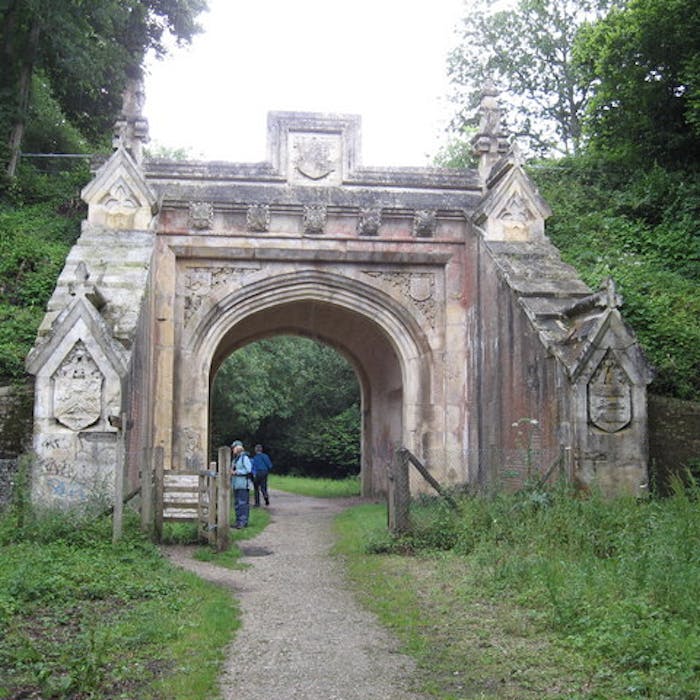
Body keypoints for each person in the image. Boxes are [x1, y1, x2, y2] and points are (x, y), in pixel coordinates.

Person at [230, 440, 252, 528]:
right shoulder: (236, 459)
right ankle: (238, 521)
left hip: (243, 484)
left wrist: (237, 472)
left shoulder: (244, 458)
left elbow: (248, 469)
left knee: (242, 503)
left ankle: (243, 522)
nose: (233, 450)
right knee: (237, 504)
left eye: (234, 448)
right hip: (236, 484)